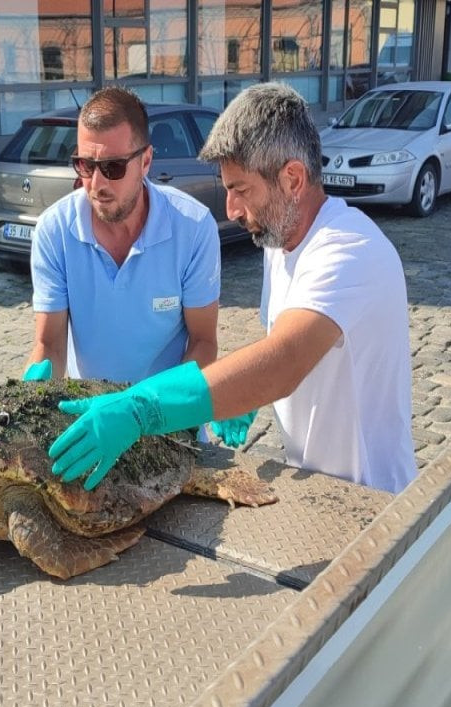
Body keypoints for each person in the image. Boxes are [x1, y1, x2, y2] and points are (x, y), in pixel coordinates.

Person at [46, 82, 417, 495]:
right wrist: (244, 395)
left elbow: (284, 361)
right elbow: (286, 344)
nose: (231, 209)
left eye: (241, 190)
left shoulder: (349, 250)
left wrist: (140, 410)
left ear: (292, 179)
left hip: (374, 497)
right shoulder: (281, 241)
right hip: (319, 485)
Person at [21, 87, 221, 388]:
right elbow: (50, 345)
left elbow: (203, 341)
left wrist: (156, 411)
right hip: (89, 415)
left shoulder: (193, 226)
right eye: (86, 165)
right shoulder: (55, 230)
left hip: (166, 414)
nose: (96, 184)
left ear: (146, 161)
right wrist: (30, 400)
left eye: (113, 167)